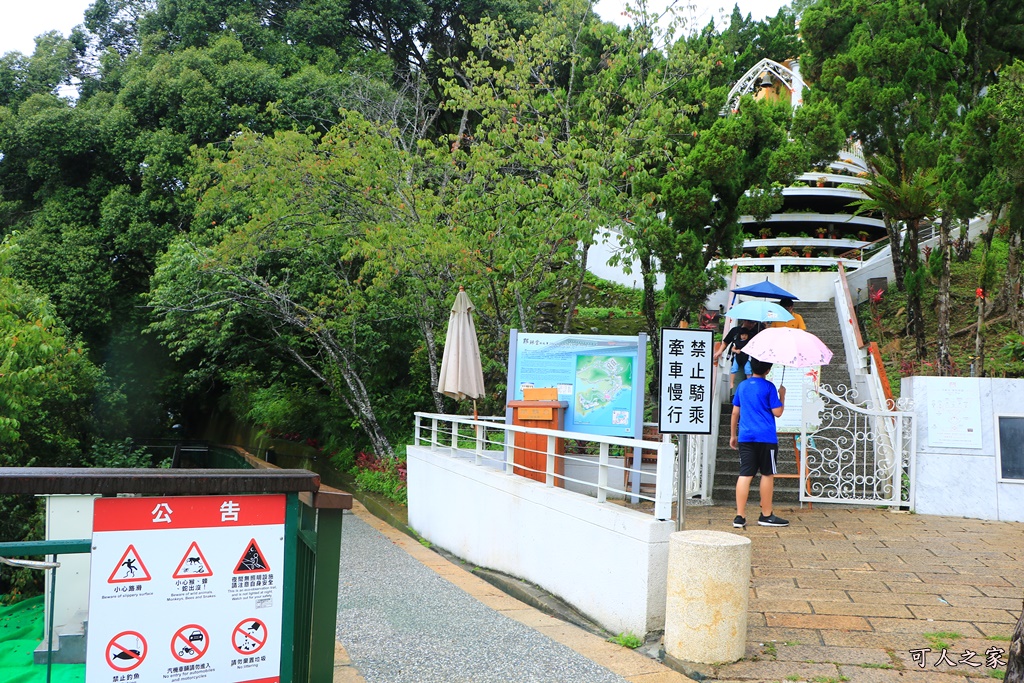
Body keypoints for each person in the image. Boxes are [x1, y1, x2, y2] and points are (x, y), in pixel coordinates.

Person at [729, 357, 789, 528]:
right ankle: (766, 514)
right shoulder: (769, 387)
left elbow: (735, 413)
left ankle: (739, 516)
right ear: (768, 370)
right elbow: (777, 412)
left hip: (746, 437)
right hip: (766, 437)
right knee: (767, 473)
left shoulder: (742, 386)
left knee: (745, 474)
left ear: (750, 367)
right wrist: (782, 396)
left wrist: (733, 435)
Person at [713, 318, 761, 395]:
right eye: (750, 322)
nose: (752, 325)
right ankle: (736, 402)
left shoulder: (755, 332)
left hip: (751, 362)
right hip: (738, 360)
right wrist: (719, 351)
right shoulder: (735, 331)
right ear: (745, 321)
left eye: (754, 323)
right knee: (738, 381)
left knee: (751, 384)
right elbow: (725, 342)